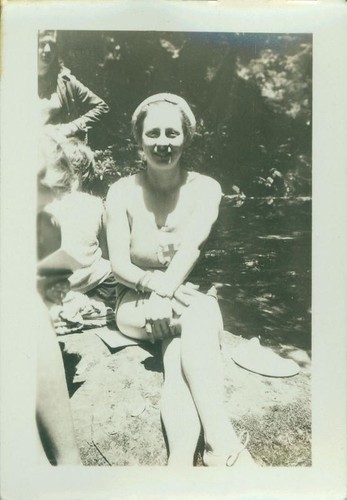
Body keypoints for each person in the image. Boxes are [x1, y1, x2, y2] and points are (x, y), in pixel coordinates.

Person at [105, 93, 255, 466]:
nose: (162, 142)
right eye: (153, 133)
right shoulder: (121, 192)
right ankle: (224, 445)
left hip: (182, 297)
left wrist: (166, 292)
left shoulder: (205, 188)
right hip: (136, 302)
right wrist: (156, 289)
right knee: (201, 316)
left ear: (186, 138)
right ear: (138, 139)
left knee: (177, 362)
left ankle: (179, 467)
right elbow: (119, 264)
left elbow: (191, 248)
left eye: (172, 133)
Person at [38, 136, 116, 304]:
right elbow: (106, 251)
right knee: (111, 273)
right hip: (97, 283)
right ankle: (91, 307)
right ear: (84, 174)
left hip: (58, 286)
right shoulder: (96, 204)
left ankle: (72, 305)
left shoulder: (45, 203)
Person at [38, 30, 109, 141]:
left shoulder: (66, 81)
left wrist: (71, 127)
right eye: (41, 44)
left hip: (56, 153)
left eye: (52, 45)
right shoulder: (15, 80)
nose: (48, 50)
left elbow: (102, 107)